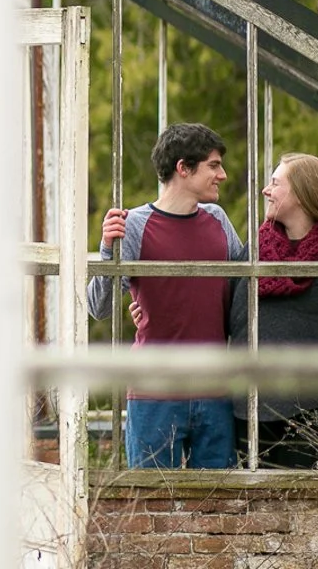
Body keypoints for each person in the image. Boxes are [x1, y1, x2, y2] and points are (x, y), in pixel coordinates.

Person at [126, 152, 318, 469]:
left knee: (294, 514)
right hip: (246, 413)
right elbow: (216, 304)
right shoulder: (256, 252)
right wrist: (155, 310)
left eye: (275, 183)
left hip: (311, 416)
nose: (265, 190)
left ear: (303, 194)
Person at [87, 123, 246, 469]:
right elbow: (99, 307)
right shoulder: (133, 225)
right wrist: (106, 252)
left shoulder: (218, 220)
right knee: (151, 505)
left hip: (215, 390)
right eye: (214, 165)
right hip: (153, 392)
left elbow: (242, 295)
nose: (223, 174)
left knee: (220, 507)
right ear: (183, 168)